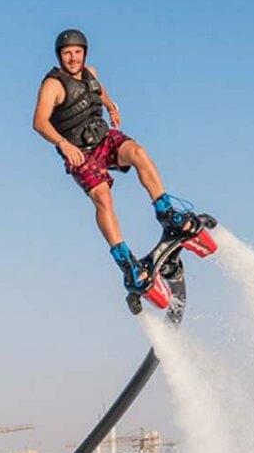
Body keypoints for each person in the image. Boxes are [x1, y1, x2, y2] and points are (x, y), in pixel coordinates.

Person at [33, 29, 205, 294]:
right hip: (80, 152)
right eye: (67, 53)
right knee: (103, 197)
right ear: (59, 56)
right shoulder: (53, 85)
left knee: (138, 153)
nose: (73, 58)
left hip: (103, 138)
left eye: (77, 52)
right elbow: (39, 122)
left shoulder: (90, 73)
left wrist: (111, 106)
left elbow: (97, 90)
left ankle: (166, 213)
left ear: (84, 53)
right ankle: (127, 263)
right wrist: (64, 144)